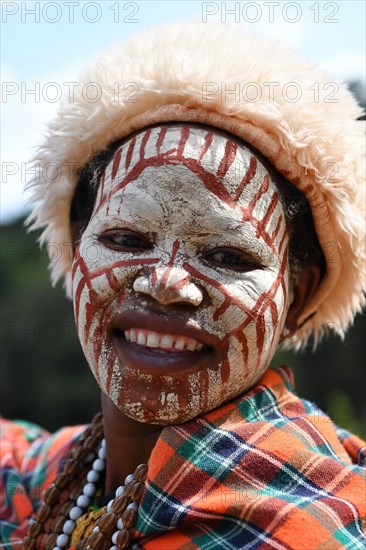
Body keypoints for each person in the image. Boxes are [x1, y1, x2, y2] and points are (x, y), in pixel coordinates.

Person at [1, 21, 365, 550]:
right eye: (125, 237)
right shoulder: (43, 482)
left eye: (227, 255)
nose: (166, 283)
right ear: (76, 249)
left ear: (299, 296)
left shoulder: (297, 527)